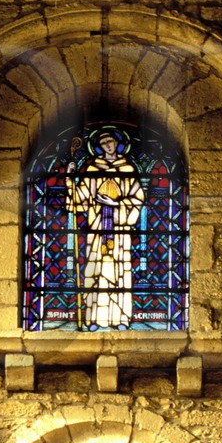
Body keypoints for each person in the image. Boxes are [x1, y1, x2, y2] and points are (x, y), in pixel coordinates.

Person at [69, 129, 145, 328]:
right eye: (104, 144)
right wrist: (70, 179)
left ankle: (120, 318)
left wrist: (115, 204)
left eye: (110, 142)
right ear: (100, 147)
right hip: (97, 231)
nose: (108, 146)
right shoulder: (94, 169)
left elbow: (138, 199)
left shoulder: (128, 169)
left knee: (120, 273)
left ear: (117, 143)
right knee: (96, 272)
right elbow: (79, 200)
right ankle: (94, 318)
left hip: (120, 232)